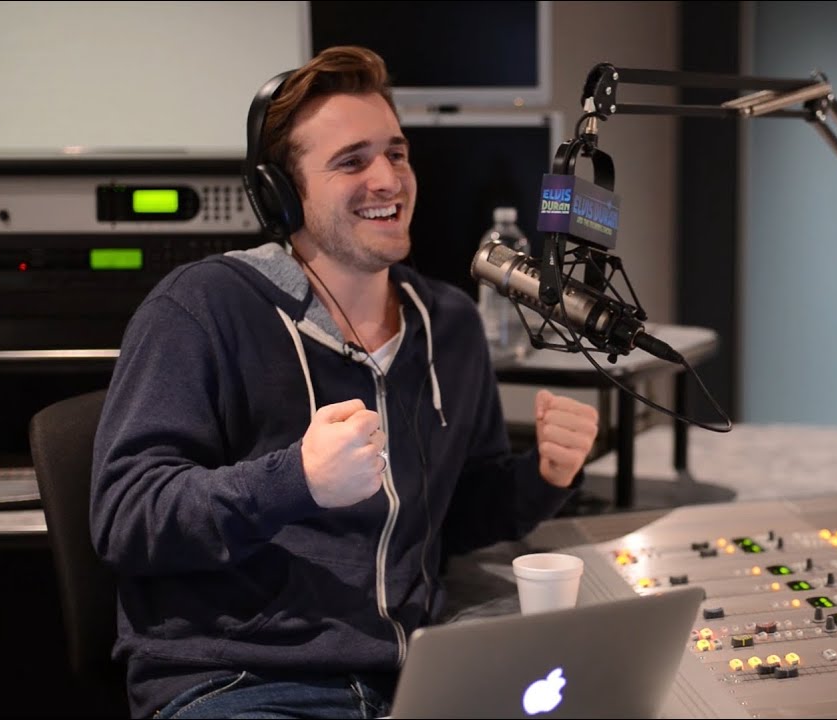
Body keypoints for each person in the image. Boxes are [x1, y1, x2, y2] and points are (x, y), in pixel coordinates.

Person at [91, 45, 600, 719]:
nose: (388, 179)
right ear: (281, 194)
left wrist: (544, 476)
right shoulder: (202, 308)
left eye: (396, 153)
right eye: (352, 161)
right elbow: (127, 517)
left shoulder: (448, 323)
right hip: (239, 682)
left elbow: (457, 515)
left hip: (409, 678)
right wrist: (295, 480)